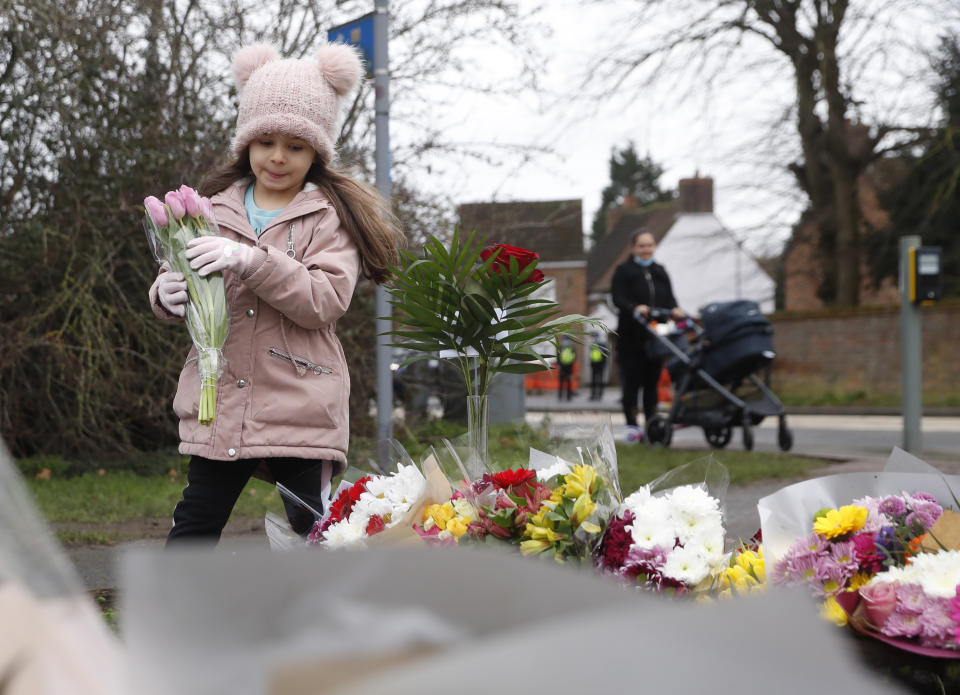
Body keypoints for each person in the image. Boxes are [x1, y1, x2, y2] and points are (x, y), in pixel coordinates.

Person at [148, 43, 404, 545]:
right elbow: (179, 276)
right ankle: (173, 618)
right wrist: (167, 293)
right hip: (219, 403)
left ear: (317, 152)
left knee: (319, 532)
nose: (278, 157)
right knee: (195, 524)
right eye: (265, 141)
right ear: (246, 142)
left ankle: (344, 617)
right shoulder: (209, 210)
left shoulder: (330, 218)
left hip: (300, 405)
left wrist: (252, 260)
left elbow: (325, 300)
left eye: (296, 145)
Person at [610, 230, 684, 442]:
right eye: (642, 246)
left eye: (649, 245)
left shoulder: (660, 271)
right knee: (631, 386)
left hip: (656, 337)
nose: (646, 250)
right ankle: (632, 428)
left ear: (654, 246)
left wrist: (675, 309)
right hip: (631, 339)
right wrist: (634, 307)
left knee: (652, 385)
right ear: (634, 248)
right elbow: (617, 298)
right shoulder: (624, 271)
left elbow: (669, 297)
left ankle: (652, 426)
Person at [588, 336, 608, 401]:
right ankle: (593, 394)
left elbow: (606, 355)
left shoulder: (602, 345)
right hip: (594, 365)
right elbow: (591, 355)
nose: (594, 338)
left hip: (600, 365)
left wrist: (603, 364)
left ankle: (600, 394)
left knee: (600, 380)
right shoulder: (592, 345)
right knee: (593, 381)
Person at [557, 337, 577, 401]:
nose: (566, 342)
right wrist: (559, 365)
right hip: (562, 367)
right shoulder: (560, 348)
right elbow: (558, 357)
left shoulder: (572, 348)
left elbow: (574, 357)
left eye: (567, 340)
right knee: (561, 382)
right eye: (565, 340)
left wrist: (571, 363)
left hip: (569, 367)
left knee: (569, 382)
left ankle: (569, 396)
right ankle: (560, 396)